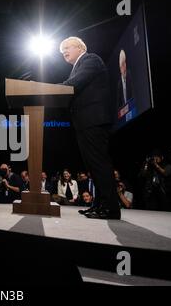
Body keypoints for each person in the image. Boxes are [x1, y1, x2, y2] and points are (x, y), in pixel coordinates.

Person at [60, 36, 120, 219]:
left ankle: (110, 208)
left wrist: (46, 88)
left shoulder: (90, 59)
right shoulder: (76, 67)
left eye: (66, 48)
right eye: (62, 52)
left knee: (99, 164)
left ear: (79, 47)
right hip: (84, 123)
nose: (63, 53)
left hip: (93, 121)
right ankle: (99, 204)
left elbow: (74, 85)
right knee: (92, 167)